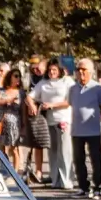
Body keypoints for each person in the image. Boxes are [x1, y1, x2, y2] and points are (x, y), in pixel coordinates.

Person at [28, 58, 75, 189]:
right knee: (53, 151)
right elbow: (30, 96)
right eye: (49, 70)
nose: (52, 72)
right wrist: (32, 105)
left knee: (65, 151)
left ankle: (66, 181)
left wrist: (52, 105)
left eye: (54, 70)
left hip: (64, 119)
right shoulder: (43, 83)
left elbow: (70, 101)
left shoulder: (67, 81)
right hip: (49, 121)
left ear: (60, 70)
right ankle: (55, 179)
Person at [69, 59, 101, 198]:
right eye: (78, 69)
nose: (81, 72)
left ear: (90, 72)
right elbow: (72, 105)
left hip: (93, 130)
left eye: (84, 69)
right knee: (78, 160)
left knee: (96, 160)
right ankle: (83, 187)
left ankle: (98, 187)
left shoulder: (97, 88)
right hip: (77, 130)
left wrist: (99, 119)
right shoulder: (73, 89)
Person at [0, 68, 27, 174]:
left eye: (19, 76)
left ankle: (15, 173)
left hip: (15, 123)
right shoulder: (3, 91)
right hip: (1, 123)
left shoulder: (20, 93)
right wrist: (6, 101)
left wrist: (24, 125)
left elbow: (23, 110)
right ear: (10, 77)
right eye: (15, 76)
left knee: (14, 148)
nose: (18, 78)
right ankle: (4, 168)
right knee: (1, 148)